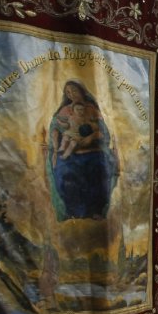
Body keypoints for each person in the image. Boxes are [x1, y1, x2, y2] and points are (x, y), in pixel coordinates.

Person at [46, 79, 118, 221]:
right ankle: (74, 212)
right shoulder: (65, 111)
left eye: (74, 90)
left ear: (82, 90)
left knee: (99, 172)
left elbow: (104, 133)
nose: (71, 94)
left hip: (94, 153)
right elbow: (55, 130)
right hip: (71, 156)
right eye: (67, 92)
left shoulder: (92, 109)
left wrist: (91, 137)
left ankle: (96, 211)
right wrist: (57, 146)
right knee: (65, 174)